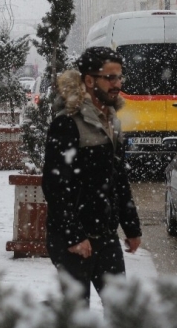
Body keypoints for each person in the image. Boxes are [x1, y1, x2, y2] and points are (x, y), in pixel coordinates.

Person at [41, 47, 142, 304]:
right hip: (71, 237)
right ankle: (9, 316)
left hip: (105, 235)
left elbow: (118, 178)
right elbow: (55, 185)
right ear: (89, 80)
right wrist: (74, 236)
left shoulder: (112, 121)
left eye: (120, 77)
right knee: (76, 318)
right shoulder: (67, 123)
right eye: (110, 78)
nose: (117, 84)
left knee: (121, 311)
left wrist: (131, 227)